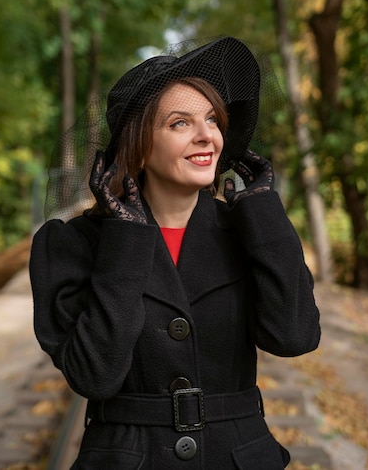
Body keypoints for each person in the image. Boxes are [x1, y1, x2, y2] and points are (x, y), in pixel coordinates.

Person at [30, 35, 321, 470]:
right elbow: (95, 375)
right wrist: (126, 239)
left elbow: (295, 336)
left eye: (212, 120)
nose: (207, 136)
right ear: (139, 144)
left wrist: (265, 212)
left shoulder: (250, 231)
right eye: (180, 123)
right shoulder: (70, 244)